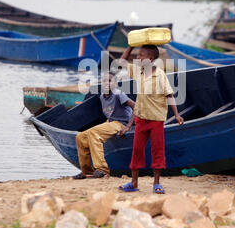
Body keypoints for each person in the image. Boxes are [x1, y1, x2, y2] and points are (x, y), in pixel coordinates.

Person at [118, 45, 184, 194]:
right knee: (137, 151)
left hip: (156, 119)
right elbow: (121, 62)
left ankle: (157, 183)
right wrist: (130, 45)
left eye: (141, 56)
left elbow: (169, 95)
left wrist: (177, 114)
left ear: (150, 59)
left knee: (157, 150)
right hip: (141, 118)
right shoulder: (138, 72)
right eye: (137, 55)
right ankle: (134, 183)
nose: (137, 58)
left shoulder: (160, 75)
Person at [73, 71, 135, 179]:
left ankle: (102, 169)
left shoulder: (118, 94)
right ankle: (87, 171)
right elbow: (111, 114)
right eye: (104, 81)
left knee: (94, 133)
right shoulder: (102, 97)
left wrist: (128, 127)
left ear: (115, 83)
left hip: (121, 123)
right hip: (111, 122)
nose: (107, 83)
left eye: (110, 81)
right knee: (80, 137)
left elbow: (136, 107)